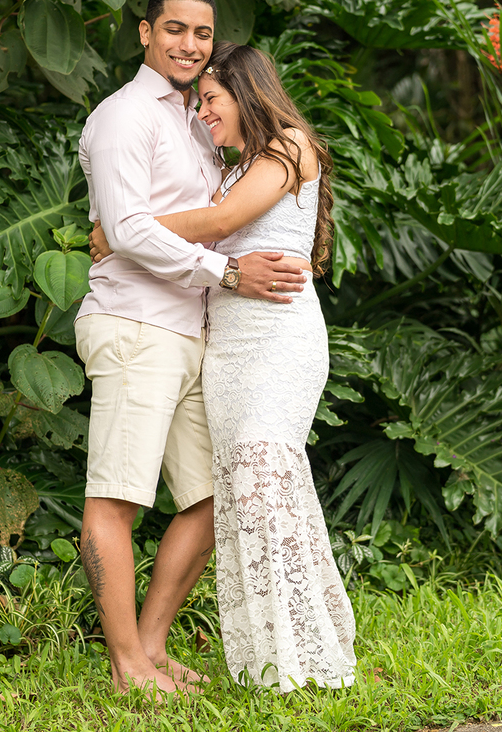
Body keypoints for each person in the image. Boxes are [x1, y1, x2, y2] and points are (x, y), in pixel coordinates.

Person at [90, 40, 357, 692]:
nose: (204, 113)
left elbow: (223, 221)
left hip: (279, 342)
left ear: (248, 92)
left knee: (267, 474)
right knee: (233, 491)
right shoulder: (234, 166)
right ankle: (168, 650)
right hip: (226, 349)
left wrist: (124, 229)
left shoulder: (292, 146)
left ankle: (301, 657)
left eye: (211, 100)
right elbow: (210, 226)